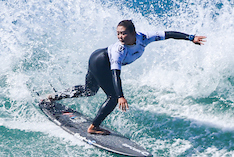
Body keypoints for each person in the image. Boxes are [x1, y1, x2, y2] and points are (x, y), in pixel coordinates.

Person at [49, 20, 207, 135]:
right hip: (100, 62)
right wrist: (120, 96)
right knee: (112, 98)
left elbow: (169, 34)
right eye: (118, 33)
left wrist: (190, 37)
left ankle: (54, 97)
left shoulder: (144, 37)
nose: (120, 36)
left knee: (89, 91)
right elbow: (115, 74)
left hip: (96, 58)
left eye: (123, 33)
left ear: (133, 33)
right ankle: (94, 127)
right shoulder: (119, 49)